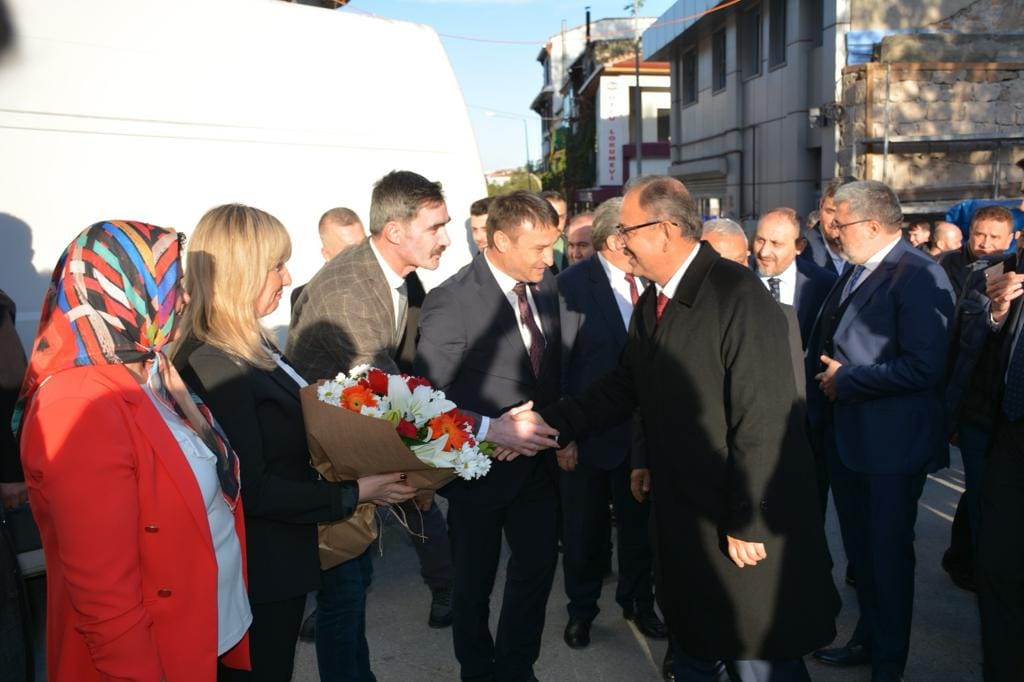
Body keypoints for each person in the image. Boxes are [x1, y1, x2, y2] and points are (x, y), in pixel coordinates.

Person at [539, 176, 839, 682]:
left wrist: (749, 517)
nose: (619, 241)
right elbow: (623, 387)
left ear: (663, 230)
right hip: (685, 514)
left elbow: (763, 418)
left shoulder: (736, 296)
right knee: (698, 639)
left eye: (627, 230)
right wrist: (547, 425)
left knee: (756, 652)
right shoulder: (655, 302)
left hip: (737, 522)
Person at [174, 204, 415, 681]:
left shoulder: (250, 345)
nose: (287, 277)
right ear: (240, 273)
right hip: (255, 575)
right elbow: (254, 488)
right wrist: (356, 492)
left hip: (279, 563)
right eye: (275, 265)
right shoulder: (213, 364)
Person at [17, 221, 252, 681]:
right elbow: (103, 593)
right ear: (121, 288)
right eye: (173, 286)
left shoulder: (150, 368)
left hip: (210, 635)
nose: (183, 300)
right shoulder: (78, 402)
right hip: (155, 659)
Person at [807, 181, 955, 682]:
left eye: (840, 222)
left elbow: (925, 367)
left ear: (872, 225)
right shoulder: (858, 268)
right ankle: (867, 640)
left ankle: (888, 664)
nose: (833, 230)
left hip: (891, 448)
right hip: (849, 442)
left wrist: (849, 381)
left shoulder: (917, 275)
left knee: (888, 559)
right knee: (863, 557)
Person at [414, 190, 563, 682]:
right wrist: (492, 431)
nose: (549, 257)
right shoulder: (450, 301)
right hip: (478, 476)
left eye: (552, 246)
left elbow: (550, 375)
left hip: (538, 469)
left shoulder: (545, 287)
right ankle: (477, 672)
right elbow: (430, 400)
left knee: (536, 572)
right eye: (538, 247)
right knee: (473, 586)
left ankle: (517, 669)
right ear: (500, 240)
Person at [556, 197, 664, 653]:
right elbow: (556, 367)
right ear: (616, 237)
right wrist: (564, 435)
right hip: (588, 434)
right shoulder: (570, 285)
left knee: (641, 529)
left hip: (642, 437)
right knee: (584, 531)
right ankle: (581, 611)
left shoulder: (654, 280)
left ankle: (638, 601)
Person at [974, 157, 1024, 680]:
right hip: (1011, 427)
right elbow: (992, 342)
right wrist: (997, 314)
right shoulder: (1013, 265)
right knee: (997, 565)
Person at [752, 207, 838, 348]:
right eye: (760, 240)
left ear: (799, 246)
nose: (764, 252)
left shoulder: (825, 284)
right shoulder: (739, 277)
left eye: (776, 244)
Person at [291, 207, 365, 308]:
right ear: (327, 255)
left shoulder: (388, 283)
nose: (360, 255)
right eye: (348, 251)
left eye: (364, 245)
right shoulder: (305, 298)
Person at [939, 206, 1017, 299]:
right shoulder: (949, 262)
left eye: (994, 237)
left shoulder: (1014, 270)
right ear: (970, 232)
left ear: (1009, 240)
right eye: (980, 235)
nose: (985, 244)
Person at [800, 178, 850, 276]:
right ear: (821, 205)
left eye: (844, 214)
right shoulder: (800, 250)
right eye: (830, 211)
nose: (835, 221)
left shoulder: (870, 252)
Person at [541, 190, 569, 272]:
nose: (556, 223)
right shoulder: (524, 249)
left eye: (561, 217)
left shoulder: (573, 245)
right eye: (552, 217)